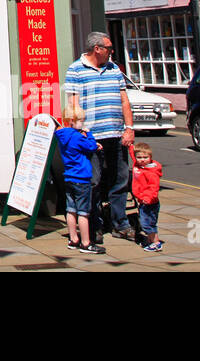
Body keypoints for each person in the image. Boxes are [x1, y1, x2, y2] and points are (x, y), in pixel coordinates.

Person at [63, 31, 135, 244]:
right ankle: (94, 225)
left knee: (120, 180)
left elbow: (124, 100)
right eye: (109, 48)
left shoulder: (114, 70)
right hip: (92, 138)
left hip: (117, 135)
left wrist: (129, 127)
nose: (112, 52)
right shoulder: (76, 70)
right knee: (93, 183)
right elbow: (73, 105)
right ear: (97, 49)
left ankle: (120, 223)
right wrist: (82, 133)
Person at [55, 106, 103, 254]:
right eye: (81, 121)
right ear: (71, 121)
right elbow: (90, 146)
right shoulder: (78, 136)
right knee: (83, 212)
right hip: (81, 178)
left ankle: (73, 239)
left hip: (69, 177)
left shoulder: (62, 135)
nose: (83, 124)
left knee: (70, 210)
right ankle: (86, 242)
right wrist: (90, 135)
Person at [131, 142, 163, 252]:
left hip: (150, 202)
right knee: (145, 222)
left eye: (145, 157)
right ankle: (150, 240)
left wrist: (148, 198)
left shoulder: (151, 172)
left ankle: (156, 242)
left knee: (148, 223)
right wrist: (130, 146)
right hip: (143, 201)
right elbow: (132, 153)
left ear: (150, 157)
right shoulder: (137, 165)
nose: (142, 159)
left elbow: (154, 187)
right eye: (139, 157)